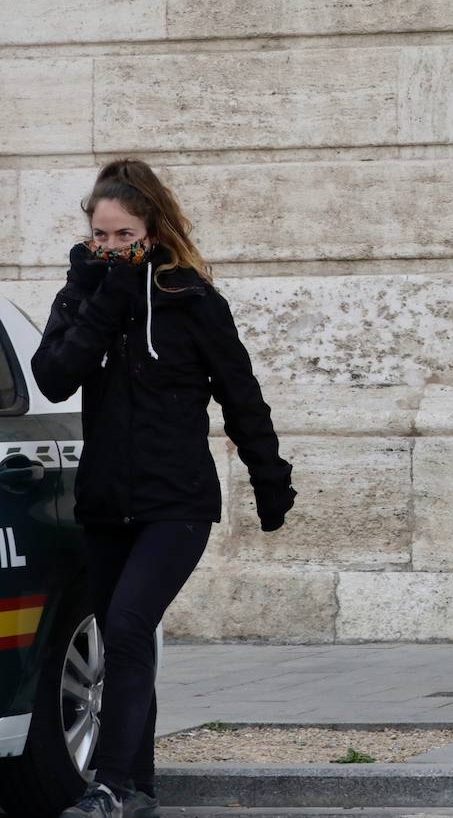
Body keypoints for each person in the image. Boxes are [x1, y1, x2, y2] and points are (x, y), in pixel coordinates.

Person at [32, 159, 295, 817]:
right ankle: (138, 785)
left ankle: (113, 784)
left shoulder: (192, 300)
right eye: (102, 236)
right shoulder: (84, 293)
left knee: (125, 626)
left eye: (124, 236)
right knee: (125, 636)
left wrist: (271, 481)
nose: (112, 248)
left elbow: (242, 395)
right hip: (103, 504)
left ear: (152, 229)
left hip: (176, 503)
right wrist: (102, 299)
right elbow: (54, 376)